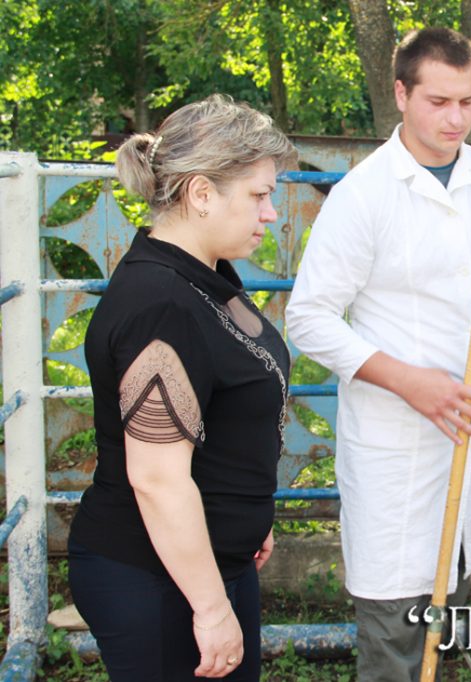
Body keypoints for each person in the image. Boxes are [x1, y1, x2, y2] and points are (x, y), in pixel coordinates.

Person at [285, 27, 471, 681]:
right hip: (394, 442)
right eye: (438, 101)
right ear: (401, 94)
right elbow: (308, 318)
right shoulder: (365, 193)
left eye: (467, 102)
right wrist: (409, 381)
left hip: (468, 434)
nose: (455, 119)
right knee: (394, 628)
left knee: (445, 603)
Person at [68, 94, 296, 681]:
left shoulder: (204, 276)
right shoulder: (162, 304)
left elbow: (228, 404)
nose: (271, 213)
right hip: (156, 579)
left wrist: (248, 517)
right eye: (259, 195)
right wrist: (212, 608)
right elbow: (157, 478)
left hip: (210, 563)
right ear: (200, 193)